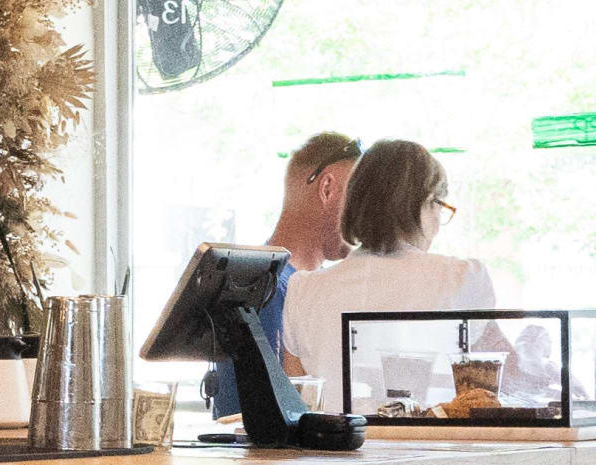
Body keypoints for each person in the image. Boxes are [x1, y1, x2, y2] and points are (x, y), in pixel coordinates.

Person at [279, 138, 499, 403]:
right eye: (441, 207)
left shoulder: (304, 289)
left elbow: (298, 401)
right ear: (426, 203)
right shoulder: (462, 277)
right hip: (434, 443)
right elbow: (496, 386)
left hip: (338, 443)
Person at [208, 130, 356, 419]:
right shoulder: (266, 289)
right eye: (357, 197)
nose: (364, 214)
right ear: (327, 188)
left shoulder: (297, 285)